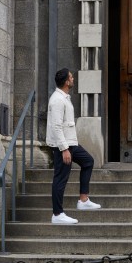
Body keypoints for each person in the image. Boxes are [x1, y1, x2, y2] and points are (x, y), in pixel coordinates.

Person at [46, 68, 101, 224]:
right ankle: (57, 214)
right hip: (63, 145)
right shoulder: (57, 99)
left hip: (71, 143)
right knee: (60, 178)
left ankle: (83, 200)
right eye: (71, 77)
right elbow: (56, 126)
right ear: (66, 82)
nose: (73, 79)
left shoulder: (64, 97)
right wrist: (64, 149)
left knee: (88, 161)